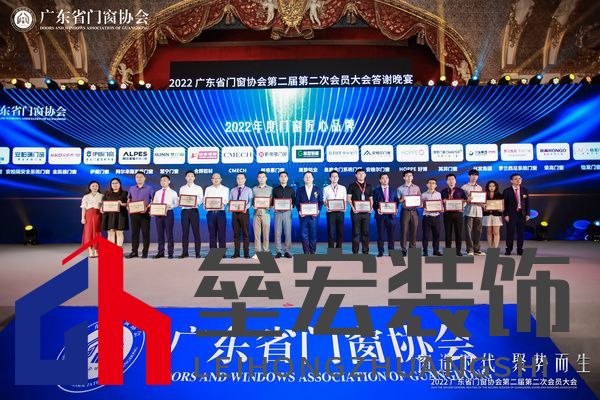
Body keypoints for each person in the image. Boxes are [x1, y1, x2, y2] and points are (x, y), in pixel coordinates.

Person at [126, 171, 153, 259]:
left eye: (141, 177)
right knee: (135, 234)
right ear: (135, 178)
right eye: (137, 177)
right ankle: (134, 252)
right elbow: (129, 199)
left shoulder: (149, 188)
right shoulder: (132, 188)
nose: (139, 178)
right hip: (134, 214)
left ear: (144, 178)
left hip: (145, 214)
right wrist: (128, 206)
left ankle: (145, 252)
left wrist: (147, 207)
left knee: (145, 233)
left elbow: (153, 200)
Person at [347, 168, 373, 254]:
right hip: (356, 213)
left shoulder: (369, 186)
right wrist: (353, 207)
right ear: (356, 175)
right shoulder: (351, 186)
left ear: (365, 175)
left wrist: (371, 207)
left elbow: (371, 199)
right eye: (359, 173)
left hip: (366, 213)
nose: (361, 175)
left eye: (363, 173)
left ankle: (365, 251)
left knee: (366, 232)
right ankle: (355, 252)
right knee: (356, 232)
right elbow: (348, 198)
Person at [502, 174, 530, 255]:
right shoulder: (507, 191)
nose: (518, 180)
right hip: (511, 214)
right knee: (510, 232)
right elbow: (504, 204)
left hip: (522, 214)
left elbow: (527, 203)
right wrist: (506, 214)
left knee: (521, 233)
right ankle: (508, 249)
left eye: (519, 178)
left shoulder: (524, 190)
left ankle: (520, 249)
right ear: (511, 181)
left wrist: (527, 214)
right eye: (516, 179)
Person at [296, 171, 323, 254]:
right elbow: (297, 202)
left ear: (313, 178)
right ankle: (306, 252)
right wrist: (299, 211)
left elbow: (320, 202)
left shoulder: (317, 189)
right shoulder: (300, 190)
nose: (308, 178)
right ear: (303, 179)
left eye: (309, 176)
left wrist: (318, 210)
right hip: (303, 216)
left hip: (314, 216)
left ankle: (312, 251)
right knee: (304, 235)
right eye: (306, 177)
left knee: (313, 235)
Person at [440, 173, 467, 256]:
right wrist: (443, 203)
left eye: (452, 179)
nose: (451, 181)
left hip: (458, 214)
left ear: (455, 181)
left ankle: (458, 251)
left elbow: (465, 200)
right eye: (449, 179)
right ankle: (448, 251)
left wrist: (462, 206)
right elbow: (439, 203)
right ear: (446, 181)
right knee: (448, 233)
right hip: (447, 214)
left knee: (458, 233)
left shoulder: (460, 191)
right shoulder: (443, 191)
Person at [152, 175, 178, 259]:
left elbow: (176, 204)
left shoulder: (173, 192)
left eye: (165, 180)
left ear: (169, 181)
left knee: (169, 234)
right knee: (160, 234)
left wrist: (170, 206)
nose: (163, 182)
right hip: (158, 214)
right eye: (161, 180)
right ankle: (160, 252)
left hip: (168, 213)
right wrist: (153, 210)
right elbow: (154, 203)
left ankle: (170, 253)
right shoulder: (157, 192)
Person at [179, 170, 203, 258]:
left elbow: (201, 200)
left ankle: (197, 253)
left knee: (196, 232)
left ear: (194, 178)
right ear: (185, 177)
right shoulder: (182, 188)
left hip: (194, 211)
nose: (190, 177)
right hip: (184, 211)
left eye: (192, 176)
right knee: (185, 232)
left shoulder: (198, 188)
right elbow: (181, 199)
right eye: (188, 176)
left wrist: (194, 202)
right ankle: (185, 252)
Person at [397, 170, 421, 256]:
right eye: (407, 176)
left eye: (410, 175)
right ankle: (403, 249)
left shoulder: (417, 188)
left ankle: (412, 249)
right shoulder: (400, 188)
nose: (409, 177)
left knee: (414, 231)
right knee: (404, 231)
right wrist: (402, 199)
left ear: (412, 177)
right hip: (405, 211)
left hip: (414, 211)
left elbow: (419, 199)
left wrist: (420, 203)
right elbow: (398, 201)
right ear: (404, 177)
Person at [373, 172, 398, 257]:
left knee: (391, 235)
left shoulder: (393, 190)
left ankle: (391, 252)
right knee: (380, 235)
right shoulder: (376, 191)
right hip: (381, 216)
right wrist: (377, 209)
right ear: (380, 180)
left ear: (388, 179)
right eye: (383, 178)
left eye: (386, 178)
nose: (385, 180)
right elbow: (373, 203)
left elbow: (396, 201)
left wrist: (396, 209)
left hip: (391, 216)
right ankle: (380, 252)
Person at [230, 173, 253, 258]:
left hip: (244, 213)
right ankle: (236, 253)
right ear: (236, 180)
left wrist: (245, 208)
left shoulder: (249, 190)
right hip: (235, 214)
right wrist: (230, 207)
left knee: (245, 234)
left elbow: (250, 202)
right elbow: (230, 201)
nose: (240, 180)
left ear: (245, 179)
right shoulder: (232, 190)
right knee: (236, 234)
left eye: (241, 178)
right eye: (238, 178)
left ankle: (246, 253)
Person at [272, 171, 295, 258]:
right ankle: (278, 251)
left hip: (287, 213)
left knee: (288, 232)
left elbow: (294, 201)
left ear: (287, 178)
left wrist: (292, 205)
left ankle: (287, 251)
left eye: (285, 176)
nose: (283, 178)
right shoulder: (275, 189)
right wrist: (273, 206)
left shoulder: (291, 189)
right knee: (277, 232)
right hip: (277, 212)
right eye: (281, 176)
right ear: (279, 178)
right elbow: (272, 201)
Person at [462, 169, 484, 256]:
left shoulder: (479, 187)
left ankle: (477, 249)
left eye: (476, 175)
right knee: (468, 232)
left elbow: (481, 199)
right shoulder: (464, 187)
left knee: (478, 231)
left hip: (479, 212)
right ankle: (470, 250)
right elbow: (462, 201)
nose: (475, 177)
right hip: (469, 211)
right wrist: (467, 200)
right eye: (473, 175)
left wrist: (483, 203)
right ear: (469, 176)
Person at [204, 173, 229, 251]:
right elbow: (205, 200)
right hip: (211, 213)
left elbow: (226, 200)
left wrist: (221, 203)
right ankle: (213, 252)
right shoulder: (208, 189)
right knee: (212, 234)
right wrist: (205, 205)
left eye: (217, 178)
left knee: (222, 234)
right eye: (214, 178)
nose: (216, 179)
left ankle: (222, 252)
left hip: (221, 213)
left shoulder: (226, 189)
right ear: (211, 180)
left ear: (221, 179)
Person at [101, 177, 128, 248]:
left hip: (120, 215)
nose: (114, 184)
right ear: (111, 185)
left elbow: (128, 204)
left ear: (120, 184)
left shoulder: (125, 193)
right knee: (110, 232)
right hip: (109, 215)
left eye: (116, 183)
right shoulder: (107, 193)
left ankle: (119, 249)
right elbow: (103, 203)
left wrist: (122, 204)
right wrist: (102, 209)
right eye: (113, 183)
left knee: (119, 232)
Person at [323, 169, 347, 249]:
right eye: (333, 176)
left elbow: (345, 200)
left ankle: (338, 249)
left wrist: (344, 207)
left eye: (336, 176)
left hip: (340, 212)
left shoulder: (343, 188)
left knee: (340, 232)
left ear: (338, 178)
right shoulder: (326, 188)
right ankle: (331, 250)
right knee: (331, 232)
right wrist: (327, 204)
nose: (334, 178)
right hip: (330, 213)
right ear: (330, 178)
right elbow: (324, 200)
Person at [252, 171, 273, 258]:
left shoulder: (271, 189)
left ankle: (266, 251)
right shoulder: (254, 189)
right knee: (257, 235)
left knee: (266, 234)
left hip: (266, 214)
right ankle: (258, 252)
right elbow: (252, 201)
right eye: (259, 177)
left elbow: (272, 202)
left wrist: (270, 206)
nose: (261, 179)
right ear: (257, 178)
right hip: (256, 214)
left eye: (263, 177)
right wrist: (253, 205)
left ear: (266, 178)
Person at [421, 178, 443, 256]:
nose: (431, 184)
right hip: (427, 217)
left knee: (436, 235)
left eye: (433, 183)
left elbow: (440, 204)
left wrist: (441, 208)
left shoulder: (438, 194)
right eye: (430, 183)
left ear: (436, 185)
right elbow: (421, 205)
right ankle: (425, 251)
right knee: (425, 235)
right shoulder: (423, 194)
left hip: (436, 217)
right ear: (427, 185)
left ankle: (436, 251)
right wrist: (423, 207)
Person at [81, 181, 103, 257]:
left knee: (97, 232)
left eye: (96, 186)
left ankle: (97, 250)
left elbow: (103, 206)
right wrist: (83, 218)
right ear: (90, 187)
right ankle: (90, 250)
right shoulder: (86, 196)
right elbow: (83, 208)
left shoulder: (102, 196)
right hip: (89, 215)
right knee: (89, 232)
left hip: (98, 215)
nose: (95, 187)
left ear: (98, 187)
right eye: (93, 186)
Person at [483, 180, 503, 249]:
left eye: (493, 186)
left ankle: (495, 248)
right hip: (487, 215)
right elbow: (482, 205)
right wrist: (483, 206)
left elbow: (502, 207)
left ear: (496, 187)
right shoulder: (484, 195)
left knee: (496, 232)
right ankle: (490, 248)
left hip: (497, 215)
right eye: (490, 186)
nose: (491, 187)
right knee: (489, 232)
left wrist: (500, 208)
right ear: (487, 187)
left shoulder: (500, 195)